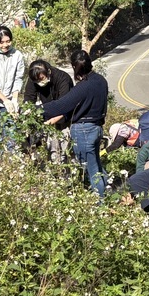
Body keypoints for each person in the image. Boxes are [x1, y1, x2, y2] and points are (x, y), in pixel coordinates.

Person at [41, 49, 109, 198]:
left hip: (84, 130)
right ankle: (110, 192)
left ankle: (101, 204)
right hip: (97, 128)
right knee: (96, 165)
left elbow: (61, 106)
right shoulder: (100, 80)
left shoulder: (82, 87)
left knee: (93, 172)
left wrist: (38, 109)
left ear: (73, 66)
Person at [22, 59, 73, 165]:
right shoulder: (34, 77)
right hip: (47, 115)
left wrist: (48, 123)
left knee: (64, 150)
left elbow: (65, 107)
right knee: (51, 150)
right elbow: (29, 98)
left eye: (41, 79)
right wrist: (26, 112)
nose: (39, 83)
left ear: (48, 72)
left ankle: (65, 173)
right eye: (36, 81)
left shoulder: (63, 79)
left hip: (64, 117)